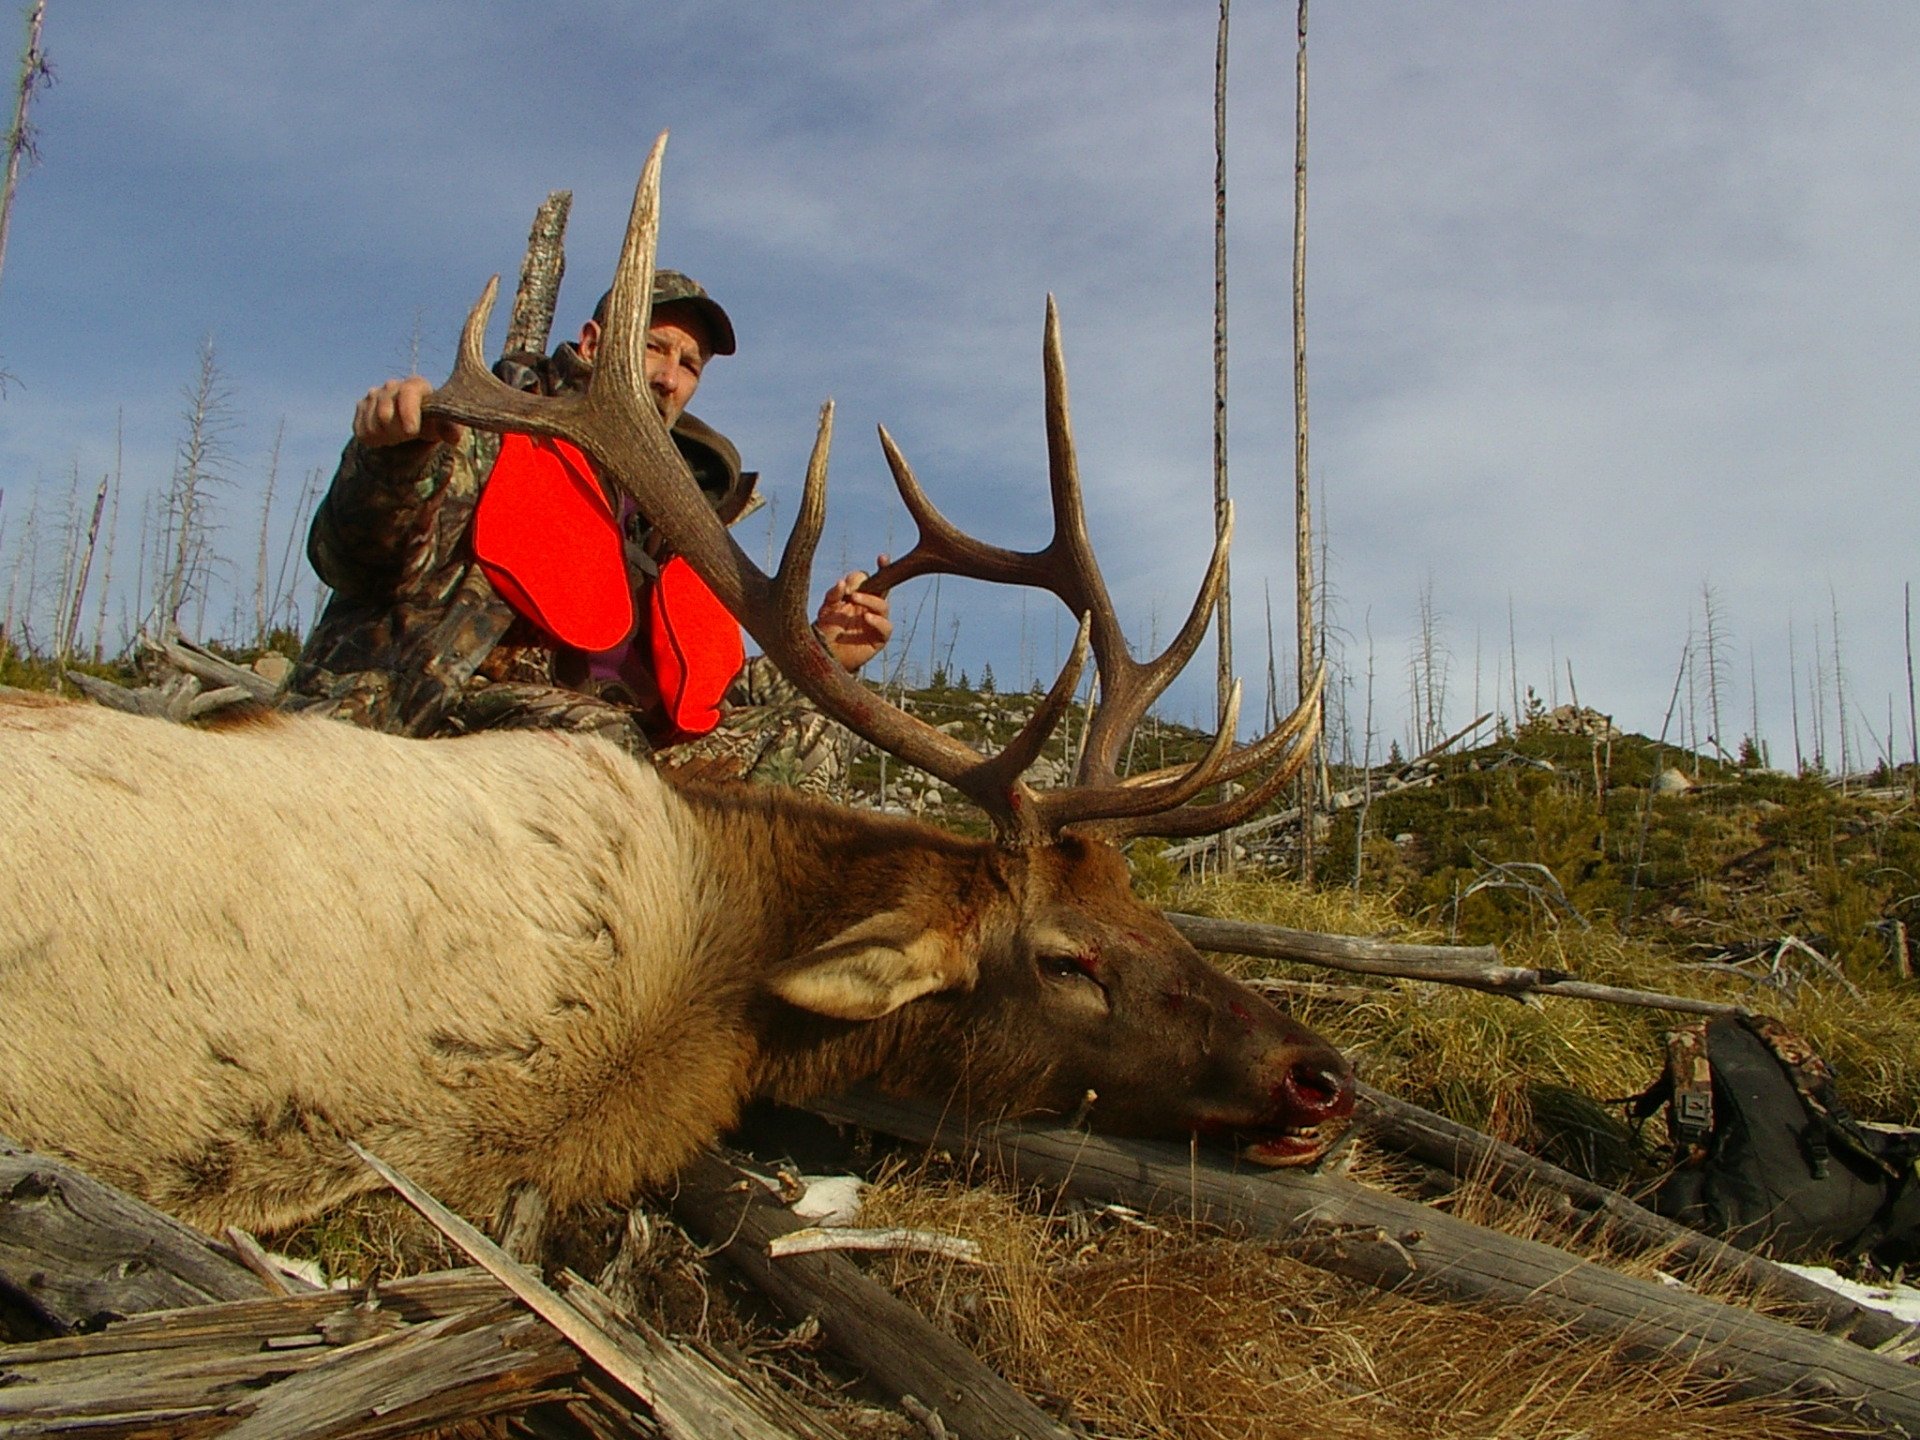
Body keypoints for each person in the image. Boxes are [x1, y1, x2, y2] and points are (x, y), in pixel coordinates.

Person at [284, 271, 891, 766]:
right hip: (441, 728)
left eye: (690, 364)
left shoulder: (678, 520)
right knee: (604, 751)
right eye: (653, 345)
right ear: (594, 343)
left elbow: (709, 695)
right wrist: (390, 461)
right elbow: (354, 559)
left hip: (618, 758)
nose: (668, 376)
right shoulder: (491, 434)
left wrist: (827, 650)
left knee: (809, 740)